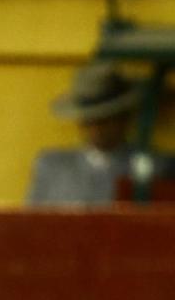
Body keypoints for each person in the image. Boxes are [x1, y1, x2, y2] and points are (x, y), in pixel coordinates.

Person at [27, 61, 155, 205]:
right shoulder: (53, 167)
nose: (96, 129)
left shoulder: (151, 168)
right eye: (89, 121)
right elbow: (32, 223)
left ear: (123, 118)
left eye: (104, 120)